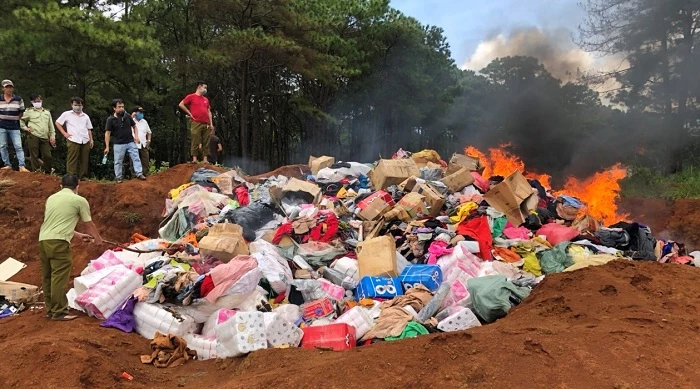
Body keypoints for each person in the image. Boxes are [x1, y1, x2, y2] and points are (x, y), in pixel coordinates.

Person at [39, 174, 103, 321]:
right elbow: (89, 223)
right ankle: (59, 311)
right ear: (77, 187)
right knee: (59, 277)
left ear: (61, 186)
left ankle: (51, 309)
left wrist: (79, 235)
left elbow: (57, 223)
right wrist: (98, 239)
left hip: (43, 241)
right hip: (59, 243)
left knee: (48, 276)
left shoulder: (51, 198)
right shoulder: (79, 200)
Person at [104, 99, 145, 183]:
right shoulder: (110, 120)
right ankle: (118, 177)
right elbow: (107, 133)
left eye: (122, 107)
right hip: (118, 143)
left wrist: (136, 136)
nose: (121, 108)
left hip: (130, 141)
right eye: (119, 107)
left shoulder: (127, 116)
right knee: (118, 161)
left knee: (136, 157)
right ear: (114, 108)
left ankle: (139, 173)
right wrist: (107, 147)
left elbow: (134, 127)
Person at [55, 97, 93, 180]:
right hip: (73, 139)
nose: (77, 107)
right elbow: (58, 123)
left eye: (79, 105)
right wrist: (64, 133)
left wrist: (91, 139)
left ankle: (83, 177)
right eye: (75, 105)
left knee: (84, 159)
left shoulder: (85, 116)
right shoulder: (67, 114)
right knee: (72, 159)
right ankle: (71, 177)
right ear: (72, 105)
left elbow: (89, 128)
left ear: (82, 105)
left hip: (85, 139)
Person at [178, 81, 213, 164]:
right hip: (196, 121)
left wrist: (211, 123)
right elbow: (181, 104)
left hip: (206, 123)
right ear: (199, 87)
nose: (205, 89)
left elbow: (209, 111)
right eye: (204, 87)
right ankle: (194, 158)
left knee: (206, 141)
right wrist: (189, 113)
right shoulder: (191, 96)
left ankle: (205, 159)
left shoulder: (206, 99)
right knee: (195, 139)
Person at [21, 94, 56, 172]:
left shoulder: (47, 112)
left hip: (45, 136)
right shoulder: (29, 111)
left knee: (47, 156)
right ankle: (36, 172)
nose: (38, 102)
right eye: (35, 101)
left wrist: (52, 136)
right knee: (34, 155)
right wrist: (26, 128)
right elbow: (21, 121)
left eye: (39, 101)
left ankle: (47, 172)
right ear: (32, 102)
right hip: (33, 135)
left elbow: (51, 126)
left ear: (41, 101)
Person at [0, 79, 28, 172]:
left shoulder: (18, 99)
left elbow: (21, 113)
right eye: (7, 87)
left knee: (18, 145)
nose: (9, 89)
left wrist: (14, 119)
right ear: (3, 88)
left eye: (10, 87)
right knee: (3, 146)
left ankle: (22, 166)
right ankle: (7, 164)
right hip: (2, 126)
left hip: (14, 126)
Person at [131, 106, 151, 176]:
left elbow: (149, 132)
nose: (141, 114)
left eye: (142, 113)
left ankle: (145, 174)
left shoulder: (144, 122)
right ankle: (134, 176)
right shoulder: (131, 121)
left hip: (143, 143)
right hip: (134, 144)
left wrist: (149, 140)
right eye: (140, 112)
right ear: (135, 113)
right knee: (134, 160)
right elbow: (128, 132)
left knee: (145, 159)